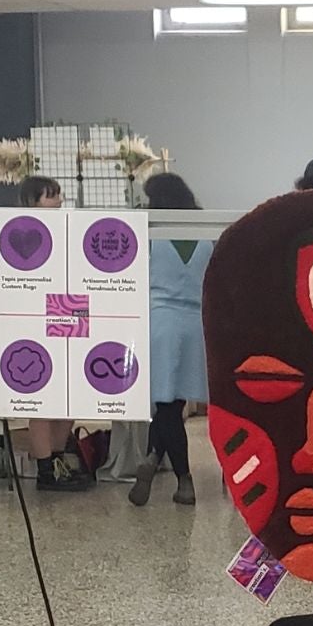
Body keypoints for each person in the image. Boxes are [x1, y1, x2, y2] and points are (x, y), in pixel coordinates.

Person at [130, 172, 208, 509]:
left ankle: (176, 474)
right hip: (196, 323)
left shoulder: (150, 232)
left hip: (161, 320)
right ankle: (168, 470)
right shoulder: (206, 232)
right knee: (174, 405)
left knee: (165, 405)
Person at [16, 177, 90, 491]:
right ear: (32, 201)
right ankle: (46, 470)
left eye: (58, 195)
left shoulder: (69, 230)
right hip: (34, 324)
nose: (58, 201)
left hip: (68, 317)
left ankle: (58, 461)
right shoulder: (18, 233)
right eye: (50, 196)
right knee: (42, 401)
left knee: (69, 398)